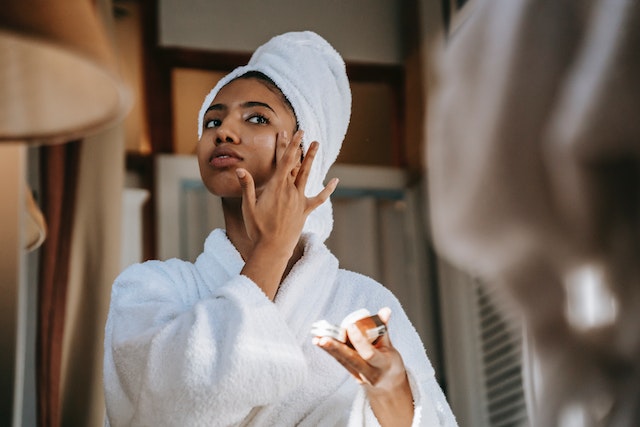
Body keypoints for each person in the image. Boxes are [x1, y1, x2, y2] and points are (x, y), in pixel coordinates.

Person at [103, 31, 457, 427]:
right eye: (213, 120)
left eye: (256, 117)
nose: (223, 131)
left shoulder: (362, 301)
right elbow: (172, 410)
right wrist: (272, 247)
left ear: (305, 150)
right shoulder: (150, 289)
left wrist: (392, 391)